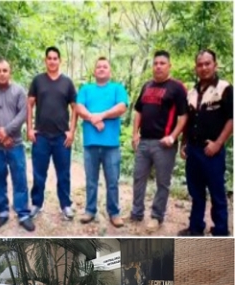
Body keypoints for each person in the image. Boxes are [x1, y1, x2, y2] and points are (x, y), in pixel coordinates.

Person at [131, 50, 188, 233]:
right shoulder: (147, 86)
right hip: (144, 141)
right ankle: (136, 212)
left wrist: (173, 136)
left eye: (162, 63)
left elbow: (184, 115)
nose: (158, 66)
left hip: (163, 144)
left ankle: (157, 217)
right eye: (155, 63)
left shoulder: (177, 88)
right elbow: (138, 110)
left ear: (169, 65)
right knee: (138, 178)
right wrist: (134, 134)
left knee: (162, 182)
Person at [179, 49, 233, 236]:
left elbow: (231, 119)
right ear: (196, 68)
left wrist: (218, 143)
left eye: (207, 63)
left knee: (217, 194)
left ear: (215, 65)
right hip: (193, 150)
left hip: (213, 151)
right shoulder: (192, 92)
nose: (203, 68)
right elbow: (187, 120)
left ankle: (221, 231)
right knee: (196, 193)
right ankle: (195, 228)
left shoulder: (225, 88)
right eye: (200, 64)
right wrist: (183, 143)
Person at [0, 58, 34, 231]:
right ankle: (2, 212)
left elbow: (23, 114)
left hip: (15, 144)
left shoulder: (18, 91)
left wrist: (7, 131)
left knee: (20, 178)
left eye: (5, 70)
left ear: (10, 72)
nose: (2, 74)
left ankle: (23, 213)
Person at [76, 57, 128, 227]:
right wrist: (93, 118)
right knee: (91, 181)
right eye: (98, 66)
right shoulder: (86, 89)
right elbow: (79, 108)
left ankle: (114, 212)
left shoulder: (117, 88)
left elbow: (122, 107)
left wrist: (102, 115)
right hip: (90, 144)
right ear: (94, 71)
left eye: (105, 66)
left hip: (111, 145)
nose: (101, 69)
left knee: (112, 181)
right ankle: (90, 210)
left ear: (110, 71)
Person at [27, 46, 78, 220]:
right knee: (38, 173)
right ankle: (36, 204)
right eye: (49, 58)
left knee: (63, 173)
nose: (52, 61)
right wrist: (29, 127)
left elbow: (75, 108)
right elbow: (29, 105)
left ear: (60, 60)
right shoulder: (38, 81)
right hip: (41, 136)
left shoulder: (67, 82)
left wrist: (71, 131)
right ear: (45, 60)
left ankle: (65, 205)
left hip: (61, 138)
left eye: (55, 58)